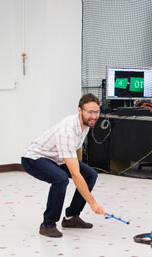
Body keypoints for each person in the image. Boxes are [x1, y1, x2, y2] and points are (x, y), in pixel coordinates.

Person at [21, 93, 106, 238]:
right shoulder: (67, 130)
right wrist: (93, 203)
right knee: (60, 179)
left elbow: (77, 146)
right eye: (90, 112)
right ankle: (47, 225)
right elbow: (74, 174)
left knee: (90, 174)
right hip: (35, 158)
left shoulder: (85, 124)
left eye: (96, 112)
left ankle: (71, 217)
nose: (94, 116)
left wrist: (79, 166)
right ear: (80, 110)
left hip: (57, 158)